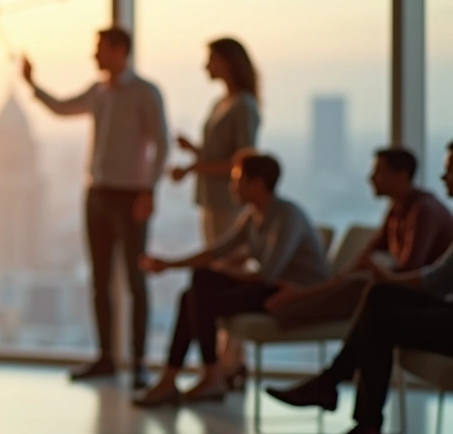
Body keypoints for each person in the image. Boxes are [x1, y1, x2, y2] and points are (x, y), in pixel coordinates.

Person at [267, 141, 453, 434]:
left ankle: (350, 409)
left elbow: (431, 280)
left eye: (450, 170)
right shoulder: (398, 211)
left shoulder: (425, 210)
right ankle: (341, 397)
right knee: (378, 295)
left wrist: (386, 277)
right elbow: (431, 278)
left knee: (380, 316)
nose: (443, 177)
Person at [21, 26, 169, 389]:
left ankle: (138, 363)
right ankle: (106, 357)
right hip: (98, 194)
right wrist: (32, 84)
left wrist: (149, 191)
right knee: (100, 279)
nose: (94, 56)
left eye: (100, 49)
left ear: (120, 51)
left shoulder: (145, 93)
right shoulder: (98, 92)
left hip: (130, 195)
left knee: (134, 280)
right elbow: (61, 107)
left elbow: (161, 144)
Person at [134, 151, 331, 406]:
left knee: (199, 297)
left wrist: (223, 271)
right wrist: (169, 264)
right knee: (195, 288)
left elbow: (267, 274)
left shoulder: (286, 216)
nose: (231, 186)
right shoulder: (253, 215)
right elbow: (216, 251)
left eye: (238, 180)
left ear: (257, 183)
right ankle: (181, 378)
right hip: (271, 287)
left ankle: (204, 377)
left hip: (295, 295)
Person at [265, 147, 453, 328]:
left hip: (427, 296)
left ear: (401, 175)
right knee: (354, 279)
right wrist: (347, 274)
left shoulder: (423, 211)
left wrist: (369, 272)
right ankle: (295, 302)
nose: (371, 178)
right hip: (406, 287)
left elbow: (411, 269)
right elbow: (368, 253)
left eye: (379, 172)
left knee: (361, 285)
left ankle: (292, 308)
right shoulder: (397, 210)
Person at [169, 37, 262, 388]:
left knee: (226, 278)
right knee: (218, 276)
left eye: (210, 59)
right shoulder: (223, 103)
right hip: (213, 200)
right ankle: (225, 361)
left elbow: (242, 161)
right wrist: (196, 152)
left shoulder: (244, 106)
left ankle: (230, 361)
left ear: (226, 61)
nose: (205, 66)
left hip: (229, 203)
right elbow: (223, 155)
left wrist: (193, 167)